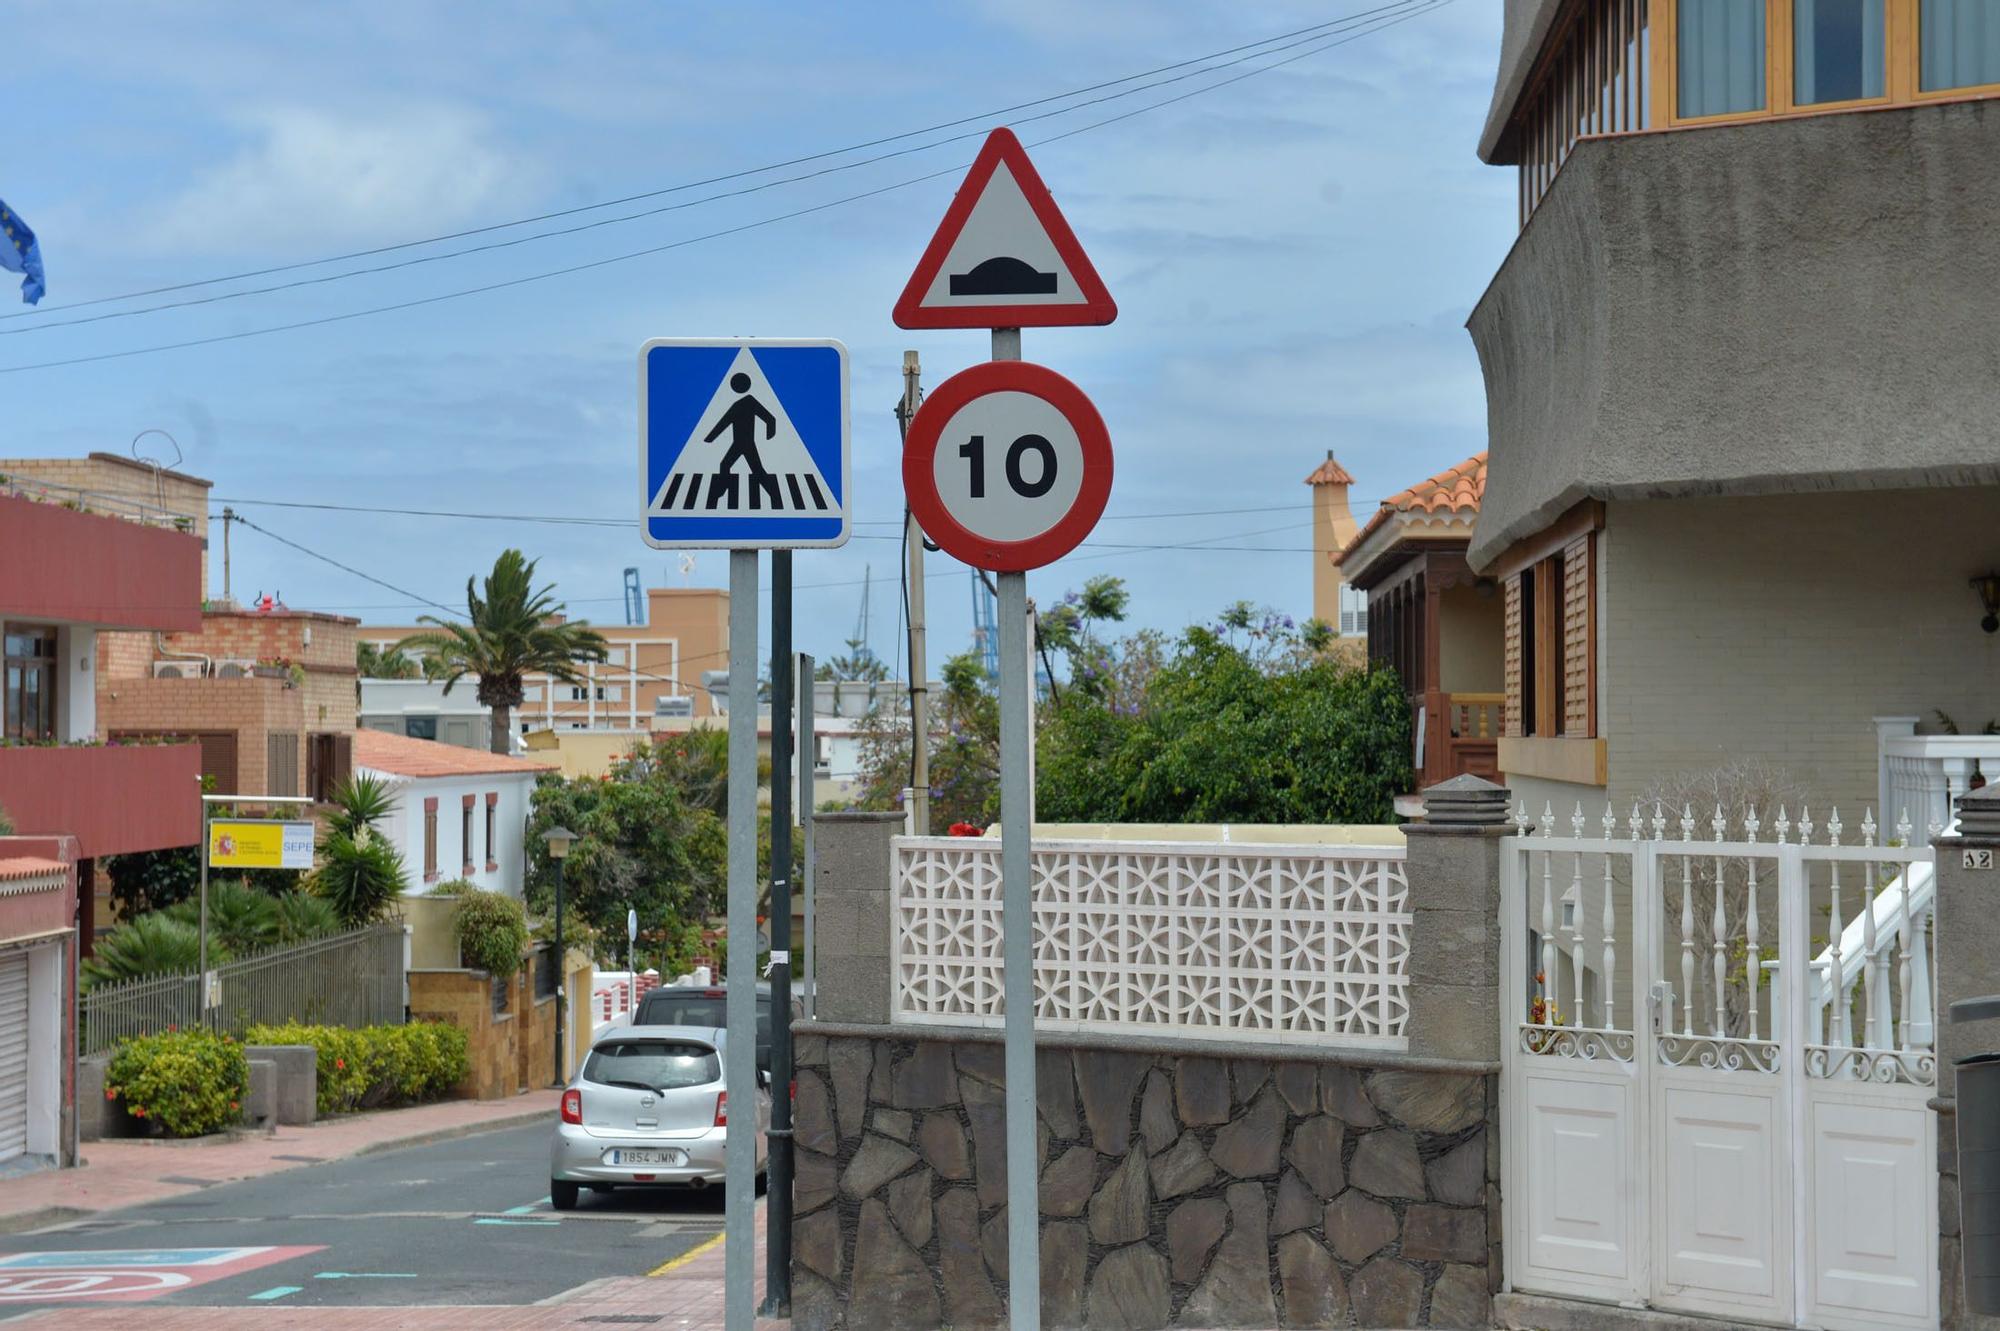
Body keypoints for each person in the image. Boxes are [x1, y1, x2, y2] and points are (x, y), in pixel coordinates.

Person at [705, 373, 780, 508]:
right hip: (739, 443)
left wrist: (770, 434)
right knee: (727, 465)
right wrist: (710, 438)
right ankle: (722, 490)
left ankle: (775, 495)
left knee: (752, 470)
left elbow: (770, 419)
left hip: (746, 444)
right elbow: (724, 423)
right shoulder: (742, 404)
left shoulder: (748, 402)